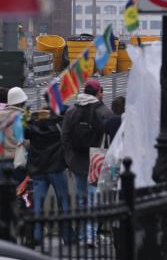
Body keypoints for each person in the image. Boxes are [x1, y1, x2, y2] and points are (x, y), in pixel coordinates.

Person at [60, 78, 114, 247]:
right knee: (93, 200)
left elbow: (65, 137)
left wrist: (69, 159)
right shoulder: (104, 111)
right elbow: (112, 137)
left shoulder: (71, 111)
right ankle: (89, 237)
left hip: (76, 161)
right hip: (96, 161)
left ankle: (84, 236)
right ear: (98, 93)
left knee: (82, 200)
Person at [25, 109, 74, 246]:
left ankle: (36, 236)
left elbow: (23, 133)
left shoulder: (32, 127)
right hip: (57, 168)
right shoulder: (59, 125)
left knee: (37, 205)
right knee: (64, 203)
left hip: (38, 169)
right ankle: (68, 236)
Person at [0, 87, 29, 167]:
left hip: (1, 159)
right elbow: (23, 140)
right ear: (21, 103)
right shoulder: (22, 117)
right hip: (17, 159)